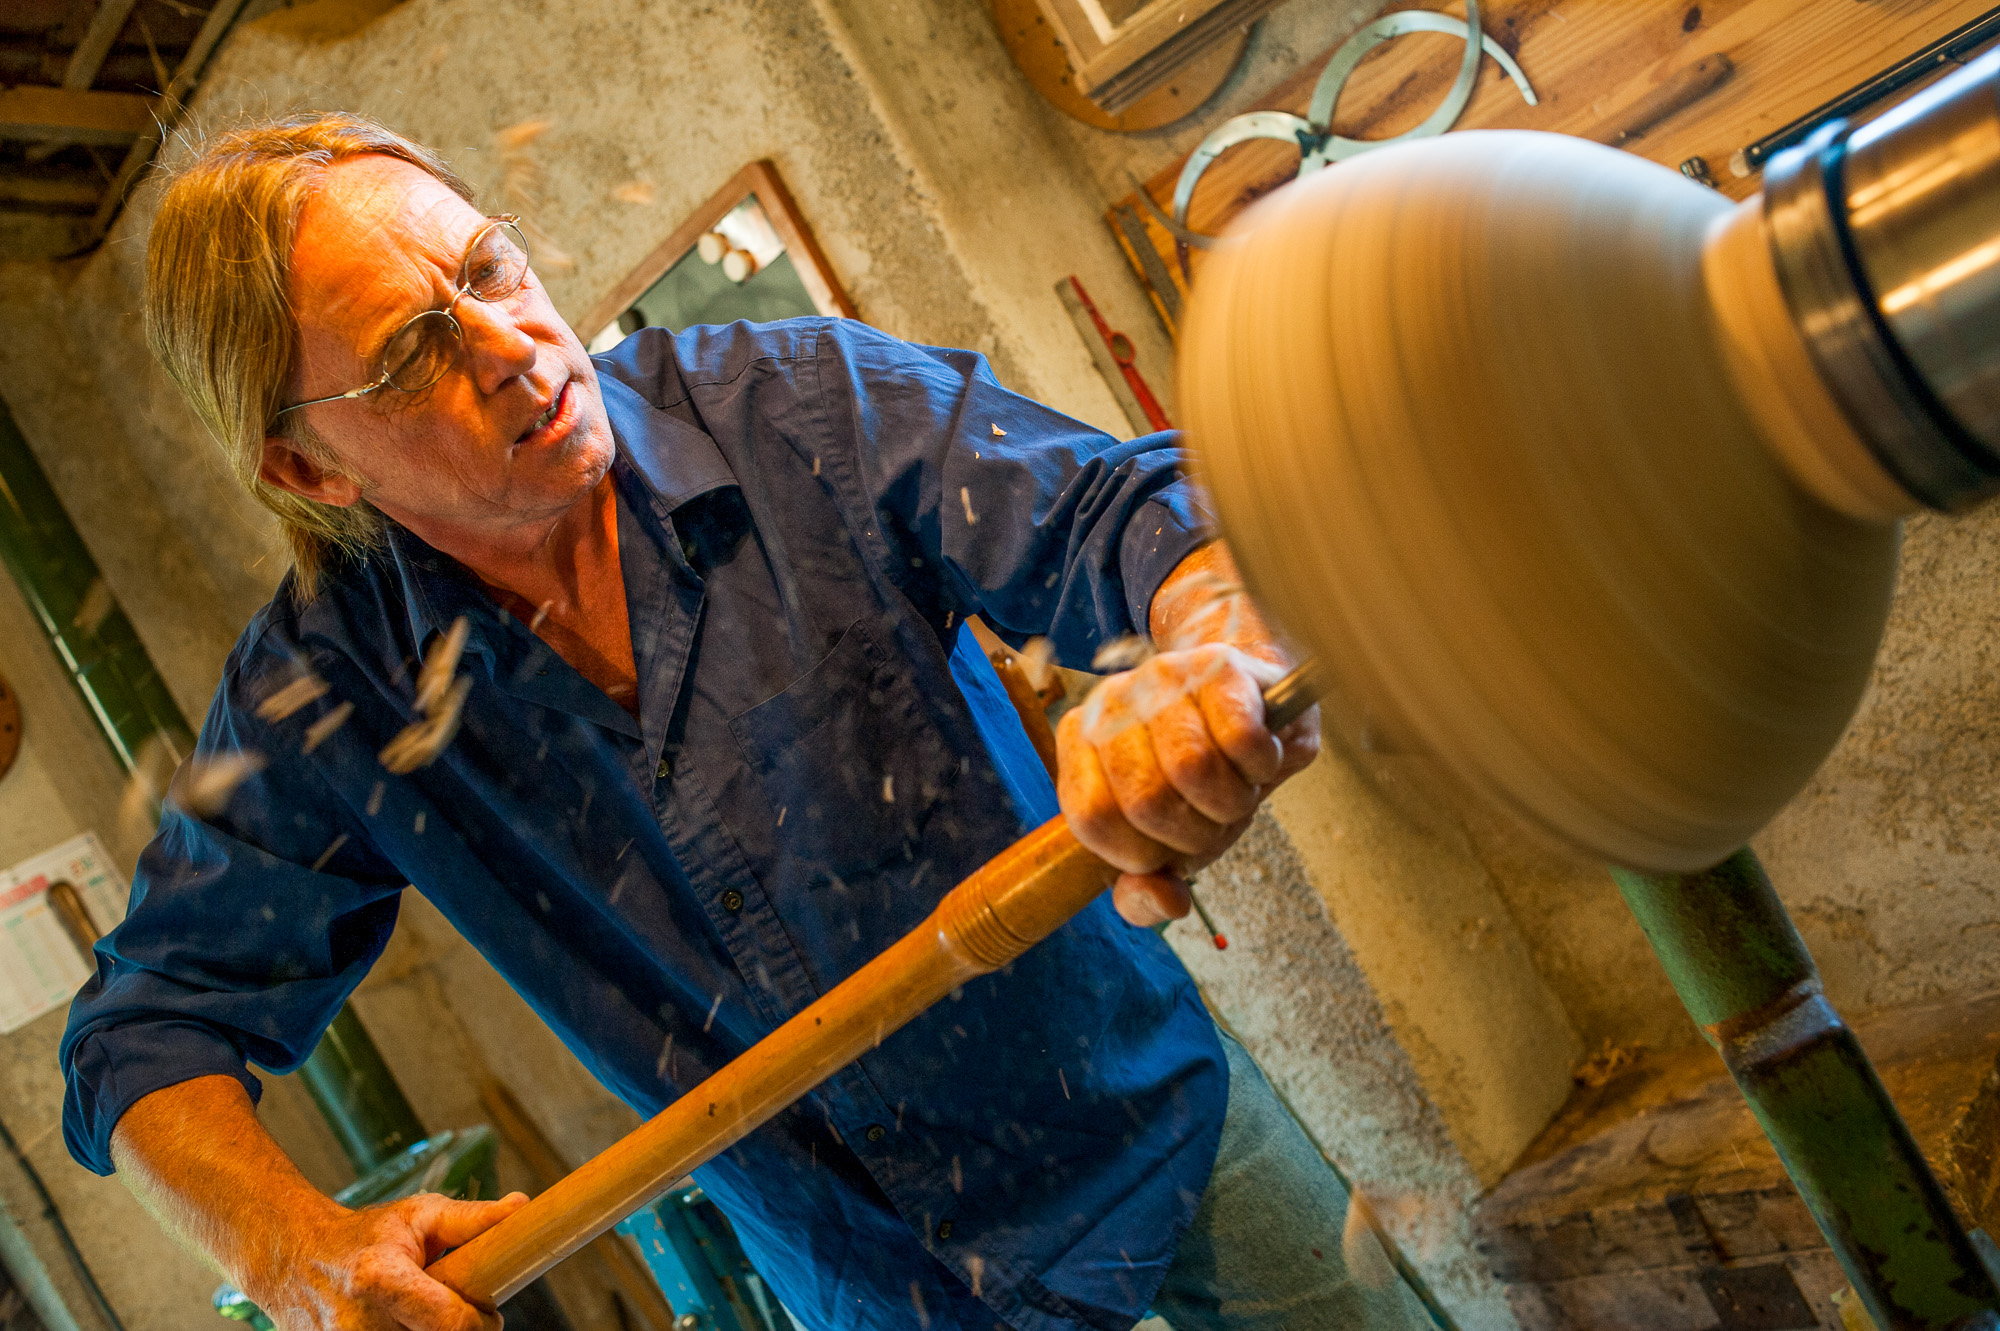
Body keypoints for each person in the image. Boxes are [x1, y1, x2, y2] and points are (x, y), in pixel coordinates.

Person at [59, 112, 1431, 1331]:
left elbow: (1126, 515)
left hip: (1156, 1140)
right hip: (872, 1287)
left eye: (485, 269)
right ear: (309, 464)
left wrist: (1211, 652)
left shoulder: (796, 406)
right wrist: (295, 1252)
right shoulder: (322, 695)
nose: (512, 346)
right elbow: (146, 1029)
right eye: (415, 351)